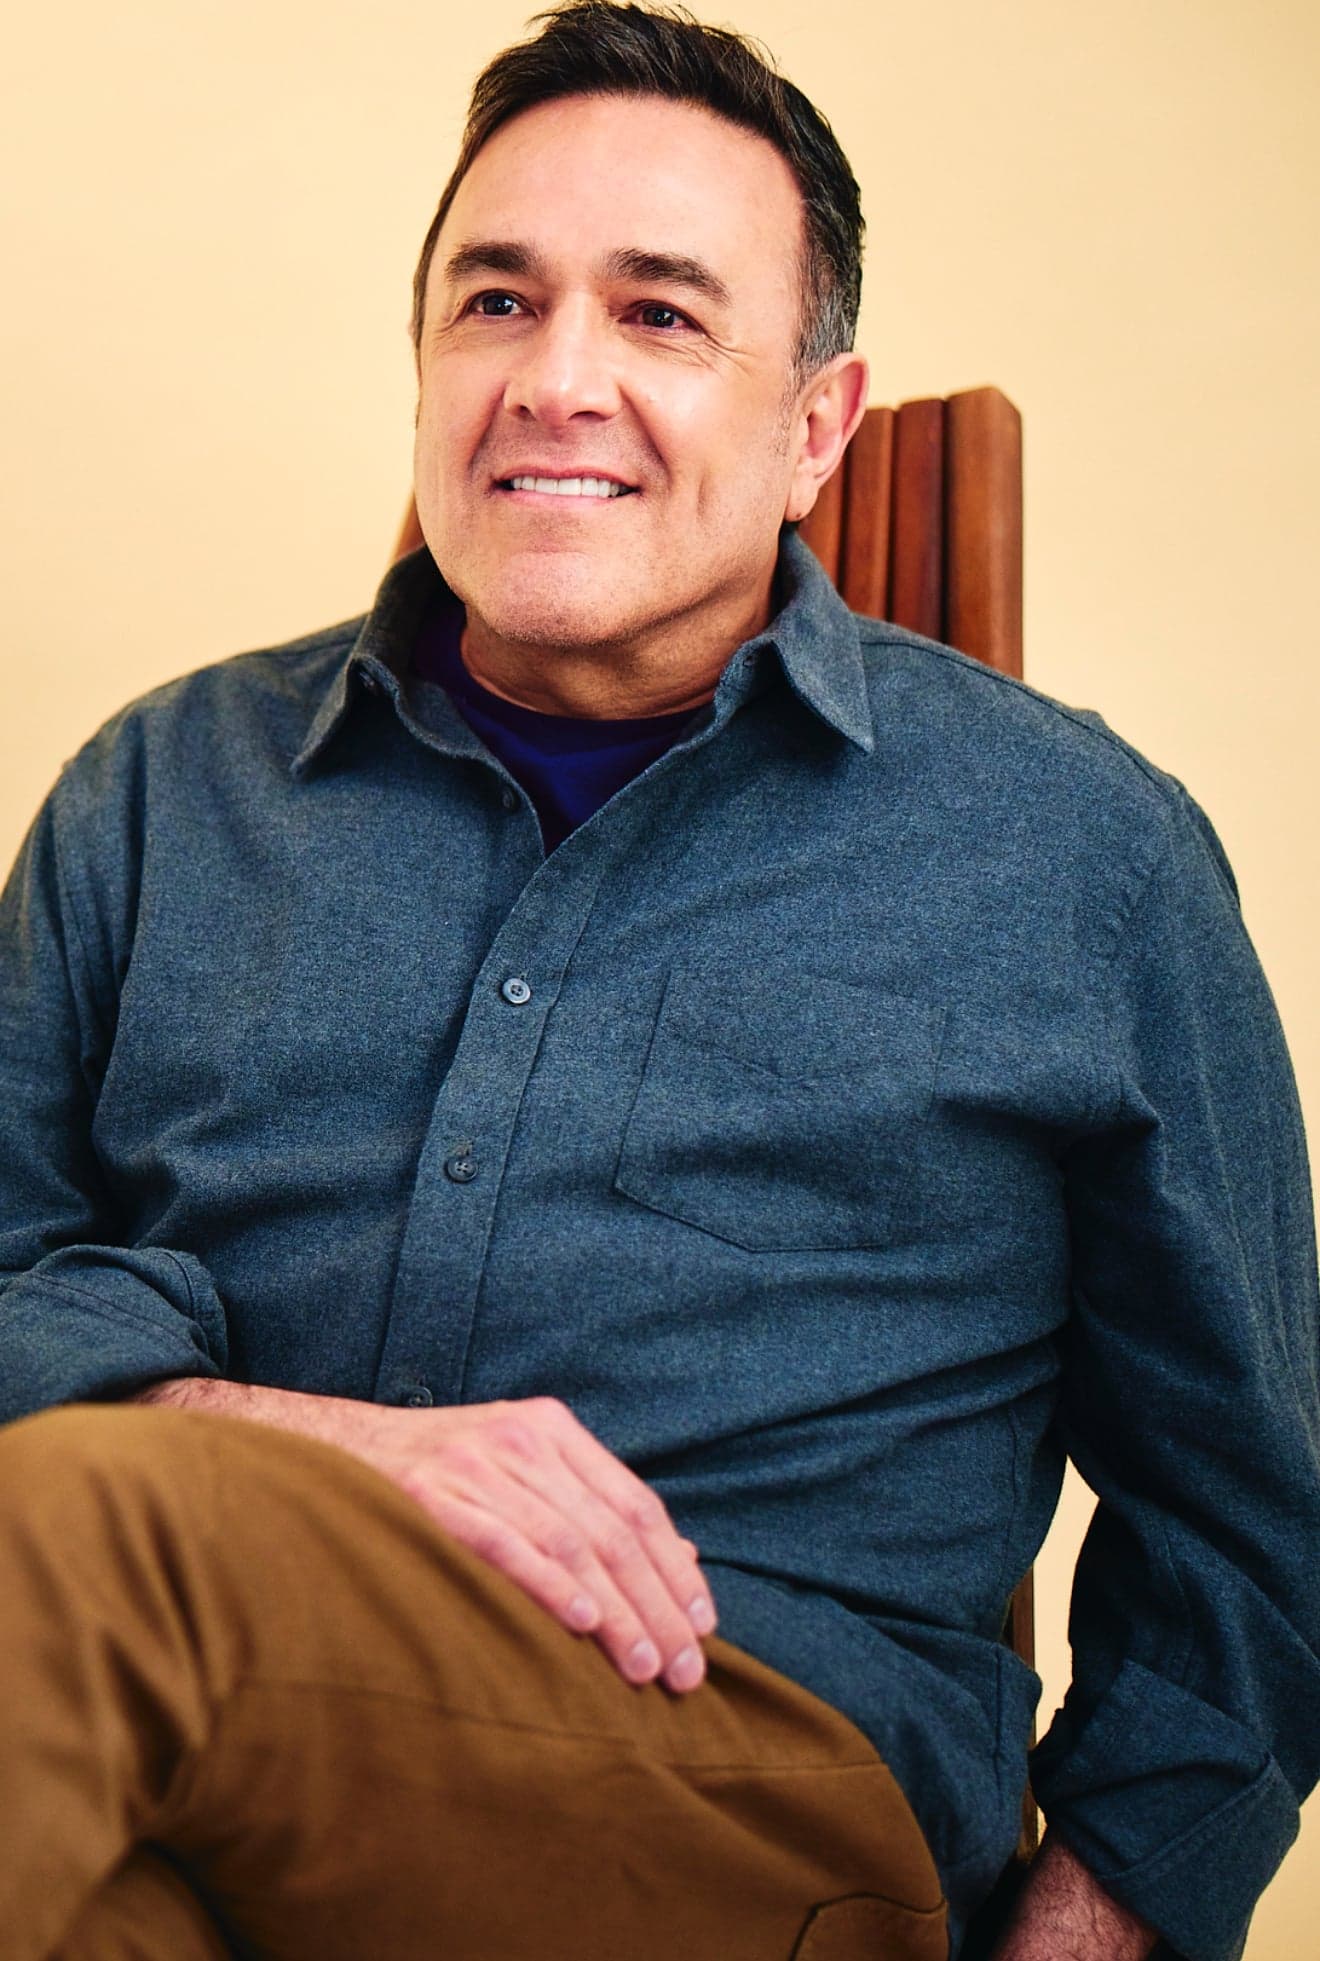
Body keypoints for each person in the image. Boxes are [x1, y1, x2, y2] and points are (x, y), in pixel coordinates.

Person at [0, 4, 1316, 1957]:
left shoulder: (1086, 862)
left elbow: (1252, 1537)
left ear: (815, 429)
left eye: (661, 314)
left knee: (81, 1526)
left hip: (747, 1784)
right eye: (497, 302)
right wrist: (292, 1438)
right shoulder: (158, 794)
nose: (557, 381)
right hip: (176, 1765)